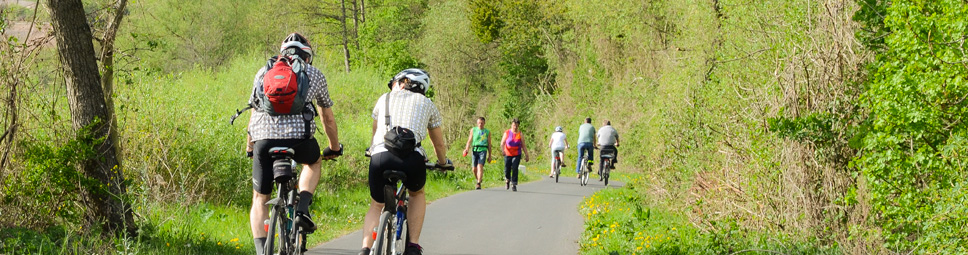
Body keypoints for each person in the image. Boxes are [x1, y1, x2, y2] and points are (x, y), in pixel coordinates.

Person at [245, 33, 343, 255]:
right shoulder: (314, 74)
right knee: (313, 161)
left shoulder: (263, 72)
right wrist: (334, 147)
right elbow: (327, 117)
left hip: (264, 140)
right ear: (307, 56)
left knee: (260, 198)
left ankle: (262, 251)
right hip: (299, 141)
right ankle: (302, 209)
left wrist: (251, 146)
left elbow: (254, 114)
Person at [358, 68, 451, 255]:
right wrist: (443, 163)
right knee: (416, 194)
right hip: (411, 159)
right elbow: (439, 143)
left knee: (377, 204)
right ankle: (413, 245)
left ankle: (365, 249)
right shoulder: (427, 103)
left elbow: (376, 132)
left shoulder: (384, 98)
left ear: (403, 82)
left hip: (380, 156)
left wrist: (371, 149)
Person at [499, 118, 530, 191]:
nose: (515, 127)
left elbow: (523, 145)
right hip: (507, 153)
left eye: (516, 125)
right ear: (511, 125)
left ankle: (514, 183)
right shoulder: (507, 133)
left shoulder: (520, 134)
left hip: (517, 154)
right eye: (513, 125)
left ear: (518, 126)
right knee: (507, 168)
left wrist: (527, 155)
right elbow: (502, 143)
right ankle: (507, 179)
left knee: (515, 167)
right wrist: (503, 150)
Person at [462, 117, 491, 190]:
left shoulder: (487, 132)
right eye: (479, 123)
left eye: (482, 123)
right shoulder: (473, 130)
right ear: (477, 123)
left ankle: (478, 183)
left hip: (483, 149)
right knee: (474, 169)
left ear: (484, 123)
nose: (480, 124)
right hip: (475, 149)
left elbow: (489, 144)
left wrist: (490, 155)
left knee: (480, 166)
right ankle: (479, 179)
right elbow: (469, 140)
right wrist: (466, 149)